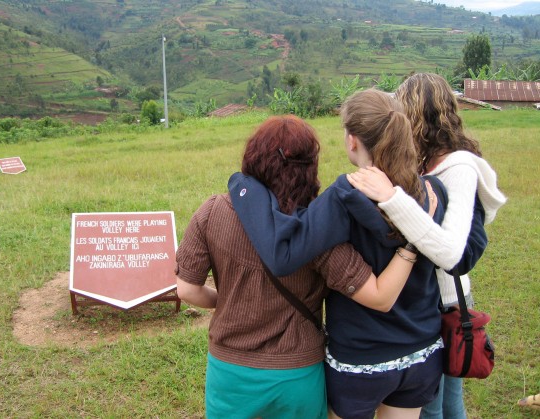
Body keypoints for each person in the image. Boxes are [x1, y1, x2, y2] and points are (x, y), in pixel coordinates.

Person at [227, 89, 463, 419]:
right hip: (421, 353)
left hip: (361, 361)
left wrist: (243, 185)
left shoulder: (344, 196)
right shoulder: (432, 191)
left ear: (352, 140)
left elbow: (283, 255)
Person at [175, 114, 424, 419]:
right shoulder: (316, 227)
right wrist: (413, 242)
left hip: (231, 372)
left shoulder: (213, 211)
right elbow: (380, 297)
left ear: (253, 157)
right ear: (309, 168)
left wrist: (222, 300)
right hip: (297, 373)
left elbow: (186, 288)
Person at [346, 73, 507, 419]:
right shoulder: (426, 163)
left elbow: (449, 252)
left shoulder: (458, 167)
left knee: (431, 407)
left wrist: (391, 199)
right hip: (429, 299)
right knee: (445, 403)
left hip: (444, 302)